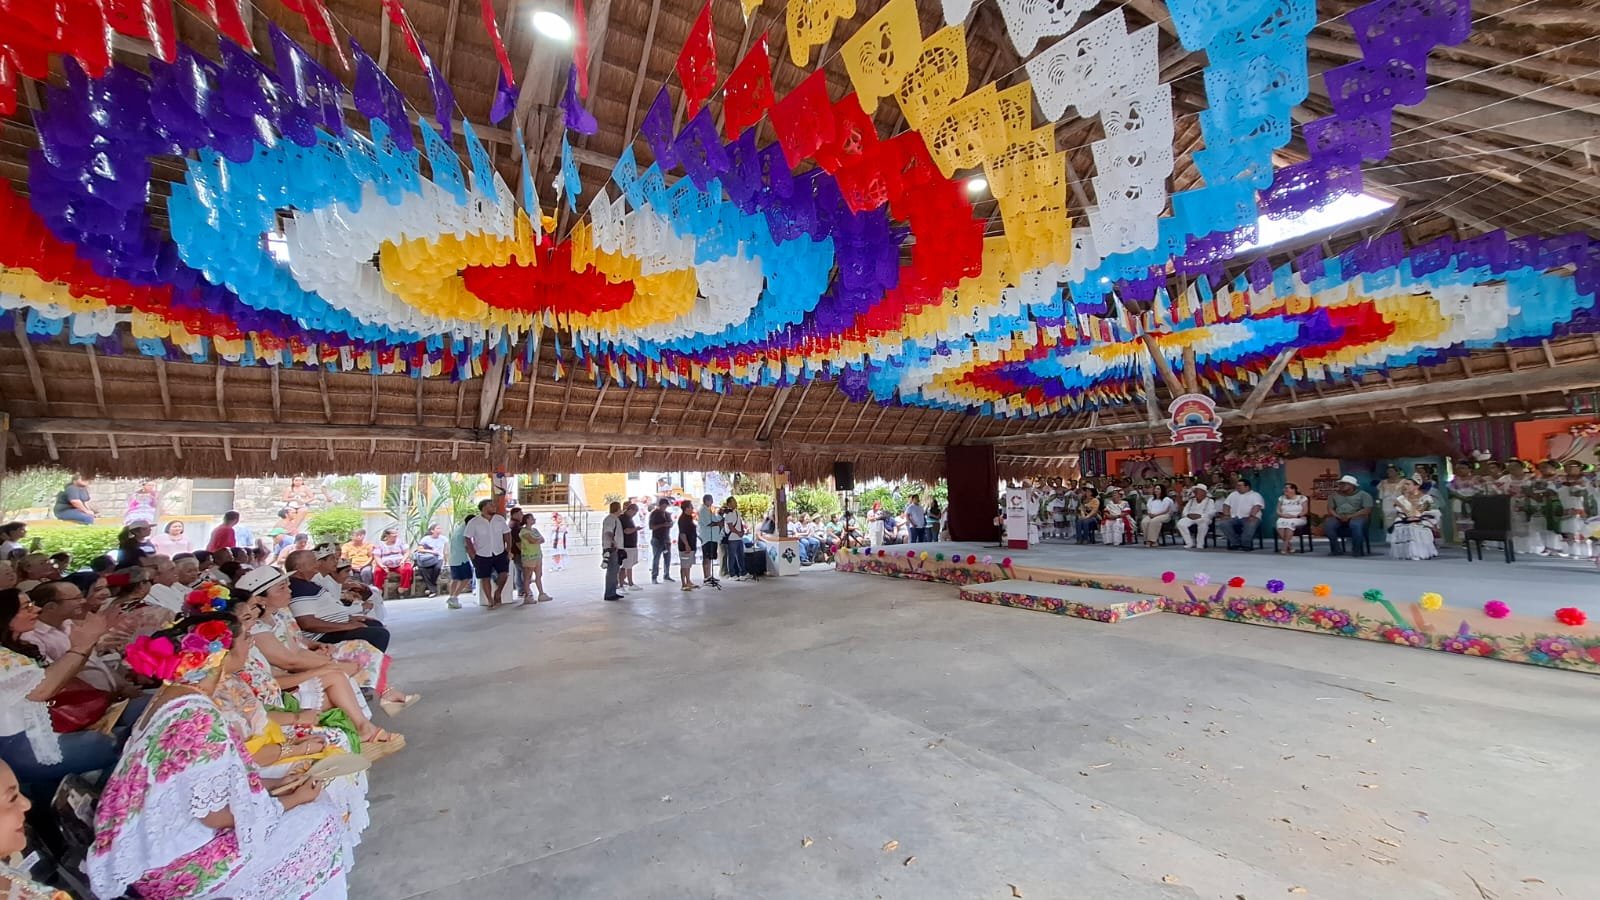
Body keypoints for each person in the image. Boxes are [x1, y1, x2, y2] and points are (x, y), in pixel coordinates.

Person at [86, 611, 357, 900]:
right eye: (244, 640)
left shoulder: (173, 697)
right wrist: (291, 799)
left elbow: (200, 787)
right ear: (221, 656)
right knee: (320, 818)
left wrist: (272, 787)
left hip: (148, 848)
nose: (250, 645)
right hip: (172, 867)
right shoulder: (197, 716)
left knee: (309, 800)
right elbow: (214, 816)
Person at [239, 565, 415, 730]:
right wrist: (329, 664)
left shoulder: (279, 614)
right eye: (282, 588)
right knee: (345, 664)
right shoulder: (256, 628)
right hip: (288, 677)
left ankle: (384, 695)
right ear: (259, 599)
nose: (290, 591)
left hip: (301, 660)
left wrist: (319, 646)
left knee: (360, 647)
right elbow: (290, 661)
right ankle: (377, 706)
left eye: (287, 586)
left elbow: (297, 643)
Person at [0, 590, 121, 805]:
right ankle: (111, 807)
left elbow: (62, 677)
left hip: (37, 734)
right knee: (112, 745)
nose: (36, 610)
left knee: (125, 733)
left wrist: (86, 643)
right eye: (27, 607)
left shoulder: (14, 648)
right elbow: (42, 690)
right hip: (19, 748)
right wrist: (82, 644)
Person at [285, 550, 392, 651]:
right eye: (313, 561)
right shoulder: (299, 587)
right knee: (379, 634)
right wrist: (346, 626)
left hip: (333, 628)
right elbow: (307, 623)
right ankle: (362, 667)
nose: (317, 564)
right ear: (298, 567)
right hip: (323, 635)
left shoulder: (306, 584)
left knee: (374, 624)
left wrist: (348, 618)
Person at [463, 500, 511, 608]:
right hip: (482, 553)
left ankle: (498, 592)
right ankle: (490, 600)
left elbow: (507, 534)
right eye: (491, 505)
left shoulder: (499, 519)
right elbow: (467, 537)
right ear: (483, 508)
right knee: (485, 577)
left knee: (504, 574)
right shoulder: (474, 522)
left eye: (494, 505)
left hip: (499, 551)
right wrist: (472, 553)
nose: (494, 507)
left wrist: (508, 549)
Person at [1326, 475, 1375, 556]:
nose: (1341, 486)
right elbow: (1330, 509)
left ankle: (1357, 549)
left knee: (1355, 524)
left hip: (1358, 516)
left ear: (1352, 485)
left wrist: (1351, 516)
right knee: (1329, 524)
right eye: (1340, 484)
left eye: (1344, 484)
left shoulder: (1364, 495)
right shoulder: (1333, 495)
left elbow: (1367, 510)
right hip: (1339, 516)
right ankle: (1336, 549)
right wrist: (1338, 516)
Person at [1221, 478, 1266, 550]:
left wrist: (1252, 515)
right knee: (1224, 523)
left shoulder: (1255, 495)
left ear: (1247, 487)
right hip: (1234, 517)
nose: (1237, 487)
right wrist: (1226, 515)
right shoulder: (1233, 494)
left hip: (1249, 517)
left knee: (1250, 524)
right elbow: (1226, 505)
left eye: (1239, 486)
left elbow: (1257, 506)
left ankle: (1246, 545)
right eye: (1237, 485)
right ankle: (1236, 543)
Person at [517, 513, 550, 603]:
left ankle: (541, 594)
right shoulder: (523, 532)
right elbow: (533, 541)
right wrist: (537, 540)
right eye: (532, 518)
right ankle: (528, 596)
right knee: (528, 576)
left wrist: (537, 540)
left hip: (537, 555)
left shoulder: (534, 530)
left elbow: (542, 539)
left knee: (539, 575)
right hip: (529, 557)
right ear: (527, 520)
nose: (534, 520)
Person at [445, 515, 475, 610]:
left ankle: (451, 598)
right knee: (467, 577)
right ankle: (454, 597)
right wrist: (473, 556)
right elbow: (467, 546)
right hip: (461, 558)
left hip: (453, 558)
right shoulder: (465, 531)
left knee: (455, 579)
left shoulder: (458, 529)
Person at [412, 523, 447, 597]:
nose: (440, 530)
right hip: (427, 558)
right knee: (423, 569)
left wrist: (445, 560)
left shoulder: (443, 538)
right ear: (432, 530)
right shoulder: (426, 539)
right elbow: (420, 549)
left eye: (440, 528)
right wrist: (431, 552)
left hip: (438, 558)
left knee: (437, 568)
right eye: (437, 528)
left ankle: (432, 589)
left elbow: (445, 550)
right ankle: (433, 589)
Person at [373, 528, 409, 597]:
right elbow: (377, 556)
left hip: (399, 563)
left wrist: (403, 560)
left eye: (396, 534)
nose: (396, 536)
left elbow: (406, 552)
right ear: (387, 535)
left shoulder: (400, 542)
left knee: (407, 569)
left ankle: (403, 587)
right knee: (378, 571)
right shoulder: (380, 544)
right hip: (385, 564)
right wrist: (382, 565)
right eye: (393, 534)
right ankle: (378, 589)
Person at [1276, 483, 1310, 554]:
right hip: (1285, 517)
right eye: (1284, 488)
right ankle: (1290, 546)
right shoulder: (1281, 498)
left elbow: (1305, 511)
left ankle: (1285, 547)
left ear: (1293, 490)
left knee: (1290, 523)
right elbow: (1278, 511)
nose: (1285, 490)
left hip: (1299, 518)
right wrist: (1283, 515)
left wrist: (1294, 516)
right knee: (1279, 523)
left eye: (1287, 488)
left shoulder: (1302, 498)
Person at [601, 501, 625, 602]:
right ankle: (609, 593)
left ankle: (613, 591)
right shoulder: (610, 519)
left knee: (615, 570)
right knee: (612, 571)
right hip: (612, 548)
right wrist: (613, 542)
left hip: (615, 547)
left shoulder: (615, 519)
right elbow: (608, 532)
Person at [697, 494, 722, 587]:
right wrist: (718, 523)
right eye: (711, 500)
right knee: (706, 557)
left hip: (712, 537)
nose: (712, 502)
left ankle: (709, 575)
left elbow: (715, 519)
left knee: (710, 557)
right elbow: (708, 523)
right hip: (707, 537)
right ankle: (706, 576)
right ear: (707, 500)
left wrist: (720, 517)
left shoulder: (709, 510)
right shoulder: (703, 510)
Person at [649, 498, 675, 584]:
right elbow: (651, 527)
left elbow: (670, 523)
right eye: (663, 506)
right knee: (656, 558)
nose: (664, 507)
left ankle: (666, 574)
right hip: (657, 538)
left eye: (666, 506)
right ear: (660, 505)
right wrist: (662, 525)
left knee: (667, 558)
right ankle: (654, 576)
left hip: (666, 538)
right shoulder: (654, 514)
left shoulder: (667, 514)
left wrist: (670, 524)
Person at [721, 498, 748, 579]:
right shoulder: (728, 514)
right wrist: (738, 532)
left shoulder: (737, 512)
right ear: (729, 504)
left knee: (740, 555)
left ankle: (743, 572)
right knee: (731, 556)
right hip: (732, 538)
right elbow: (730, 526)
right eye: (733, 502)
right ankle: (732, 574)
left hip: (739, 538)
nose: (735, 503)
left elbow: (740, 523)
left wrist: (742, 531)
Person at [676, 501, 699, 592]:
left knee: (688, 564)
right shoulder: (682, 519)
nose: (692, 509)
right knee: (684, 564)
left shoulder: (689, 517)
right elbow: (682, 533)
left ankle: (688, 580)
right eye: (691, 507)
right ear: (686, 508)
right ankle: (684, 583)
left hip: (691, 543)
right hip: (685, 545)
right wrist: (686, 544)